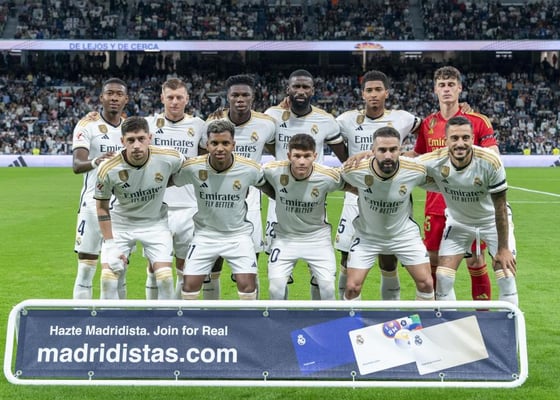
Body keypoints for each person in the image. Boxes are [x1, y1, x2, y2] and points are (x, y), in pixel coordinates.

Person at [408, 66, 516, 302]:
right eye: (442, 85)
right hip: (437, 202)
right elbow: (417, 158)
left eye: (451, 85)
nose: (446, 89)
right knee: (434, 259)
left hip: (473, 202)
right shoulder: (428, 123)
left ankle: (482, 313)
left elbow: (493, 157)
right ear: (435, 89)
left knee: (475, 259)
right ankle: (438, 313)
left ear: (460, 88)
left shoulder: (476, 121)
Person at [335, 70, 421, 300]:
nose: (373, 94)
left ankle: (390, 309)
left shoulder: (403, 118)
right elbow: (323, 131)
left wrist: (413, 154)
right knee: (346, 256)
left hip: (390, 196)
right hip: (355, 195)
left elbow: (428, 130)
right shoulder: (346, 120)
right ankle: (344, 308)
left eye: (378, 90)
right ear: (362, 94)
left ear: (386, 93)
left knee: (389, 258)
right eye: (369, 90)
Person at [264, 69, 347, 299]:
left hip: (314, 197)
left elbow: (344, 158)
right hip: (281, 197)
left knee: (319, 275)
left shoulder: (325, 120)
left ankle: (318, 314)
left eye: (305, 87)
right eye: (296, 87)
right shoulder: (272, 115)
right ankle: (280, 316)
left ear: (313, 90)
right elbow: (265, 141)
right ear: (288, 89)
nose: (300, 91)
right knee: (279, 277)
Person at [172, 119, 272, 301]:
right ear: (207, 145)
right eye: (214, 143)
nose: (220, 148)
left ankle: (250, 320)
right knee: (188, 287)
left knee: (248, 287)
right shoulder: (193, 167)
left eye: (225, 143)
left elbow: (272, 190)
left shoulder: (249, 169)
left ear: (233, 145)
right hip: (205, 235)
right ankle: (191, 320)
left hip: (238, 236)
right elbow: (166, 181)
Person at [201, 74, 276, 300]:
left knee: (250, 259)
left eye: (245, 95)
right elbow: (201, 157)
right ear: (228, 97)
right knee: (213, 260)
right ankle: (211, 312)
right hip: (216, 197)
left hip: (250, 198)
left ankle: (252, 312)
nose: (240, 99)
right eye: (235, 95)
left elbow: (279, 150)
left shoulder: (266, 124)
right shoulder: (213, 123)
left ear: (253, 97)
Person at [95, 116, 184, 300]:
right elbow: (102, 207)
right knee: (107, 280)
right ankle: (114, 319)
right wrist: (110, 245)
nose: (136, 145)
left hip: (155, 224)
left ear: (150, 138)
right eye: (131, 140)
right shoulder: (108, 168)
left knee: (166, 279)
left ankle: (163, 319)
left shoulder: (169, 157)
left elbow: (192, 169)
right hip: (121, 224)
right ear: (122, 141)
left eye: (141, 139)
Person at [341, 127, 434, 301]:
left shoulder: (415, 170)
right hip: (367, 236)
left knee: (426, 283)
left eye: (393, 150)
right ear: (373, 150)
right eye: (382, 150)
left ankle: (423, 319)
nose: (388, 155)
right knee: (352, 287)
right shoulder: (355, 169)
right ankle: (353, 320)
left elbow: (443, 177)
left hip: (404, 235)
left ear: (401, 149)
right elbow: (333, 181)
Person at [263, 133, 351, 300]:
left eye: (307, 156)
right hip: (285, 238)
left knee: (327, 288)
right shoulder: (272, 170)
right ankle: (280, 318)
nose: (302, 161)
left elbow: (354, 187)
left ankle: (324, 317)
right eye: (297, 156)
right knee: (276, 288)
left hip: (317, 239)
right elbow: (253, 178)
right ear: (289, 155)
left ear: (315, 156)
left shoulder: (328, 176)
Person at [144, 78, 206, 299]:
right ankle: (152, 313)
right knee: (155, 267)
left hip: (189, 206)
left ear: (187, 99)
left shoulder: (199, 125)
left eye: (179, 97)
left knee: (184, 266)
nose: (175, 102)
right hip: (157, 206)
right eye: (170, 97)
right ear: (162, 98)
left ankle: (178, 312)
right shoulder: (149, 124)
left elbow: (206, 160)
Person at [71, 77, 128, 299]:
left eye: (119, 94)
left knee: (118, 269)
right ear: (101, 97)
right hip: (92, 203)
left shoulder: (131, 127)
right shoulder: (87, 125)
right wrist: (97, 161)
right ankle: (81, 316)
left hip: (122, 206)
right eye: (109, 93)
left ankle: (116, 318)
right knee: (86, 268)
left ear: (126, 99)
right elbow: (77, 165)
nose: (114, 98)